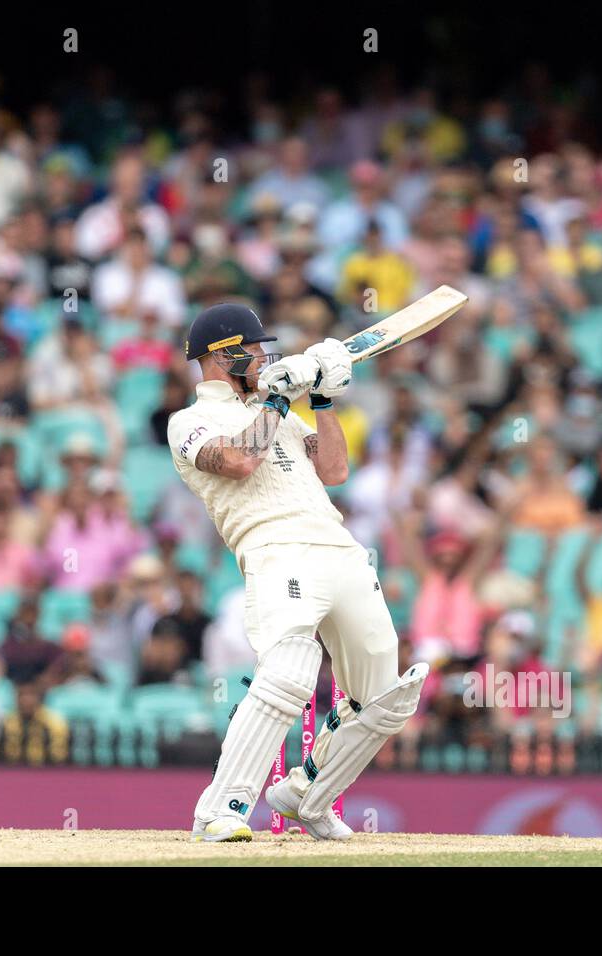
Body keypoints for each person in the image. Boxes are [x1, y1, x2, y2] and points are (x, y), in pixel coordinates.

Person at [166, 302, 428, 842]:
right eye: (257, 348)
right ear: (224, 355)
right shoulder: (189, 422)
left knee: (384, 696)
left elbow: (333, 469)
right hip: (276, 548)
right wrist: (282, 396)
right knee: (288, 672)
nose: (265, 357)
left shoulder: (277, 411)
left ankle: (308, 794)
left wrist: (324, 398)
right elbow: (239, 461)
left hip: (339, 546)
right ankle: (221, 809)